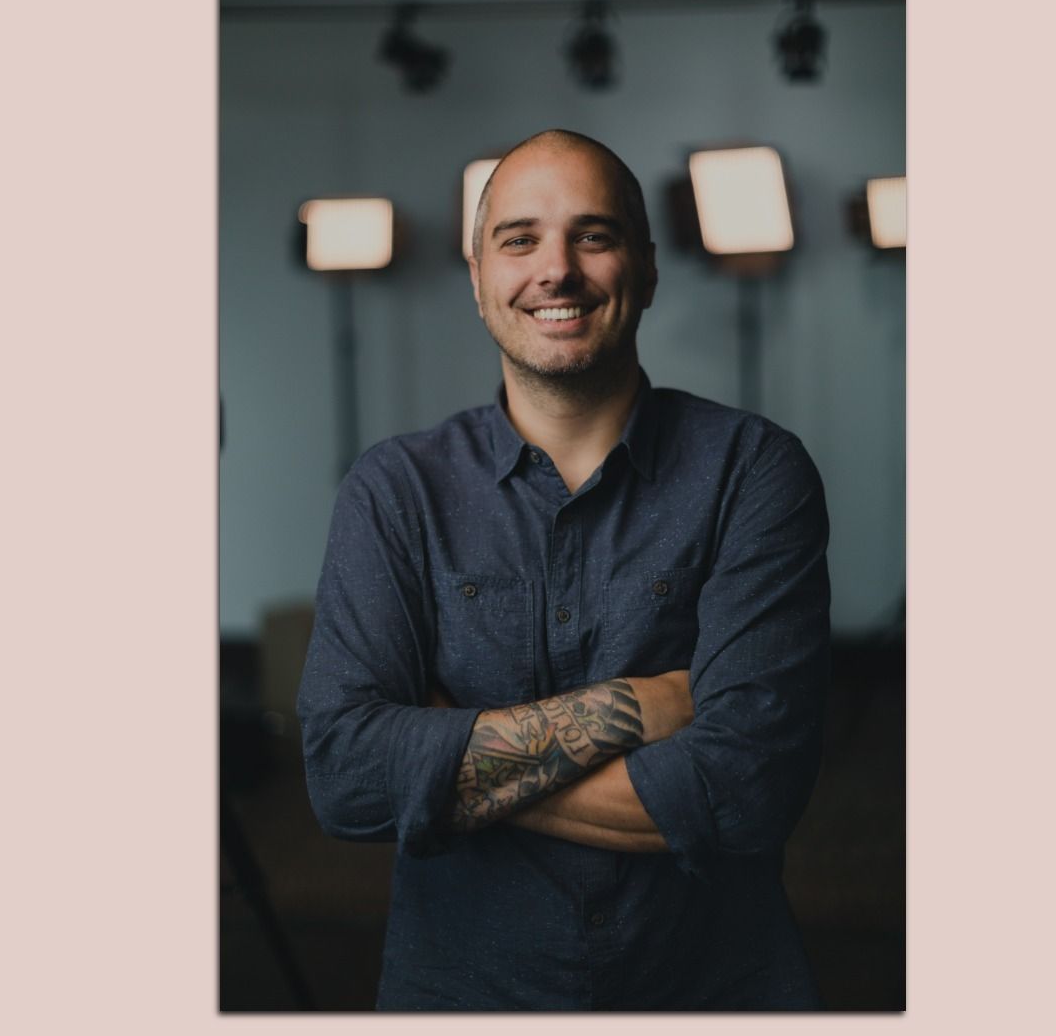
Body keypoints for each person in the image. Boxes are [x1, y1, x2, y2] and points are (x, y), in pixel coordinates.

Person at [296, 129, 832, 1009]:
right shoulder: (396, 490)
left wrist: (437, 759)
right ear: (478, 279)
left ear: (647, 270)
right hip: (462, 995)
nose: (557, 270)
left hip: (710, 990)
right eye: (519, 240)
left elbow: (746, 791)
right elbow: (346, 777)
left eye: (593, 235)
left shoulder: (753, 471)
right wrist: (644, 710)